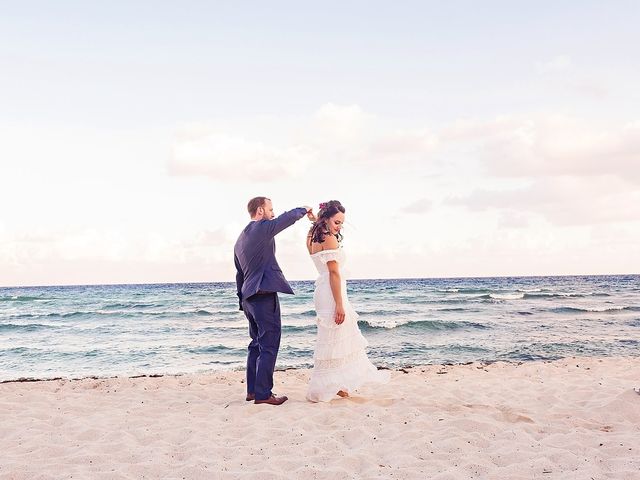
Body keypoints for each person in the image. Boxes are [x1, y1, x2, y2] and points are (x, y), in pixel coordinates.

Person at [305, 200, 389, 402]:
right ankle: (335, 385)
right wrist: (340, 305)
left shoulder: (311, 235)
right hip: (332, 292)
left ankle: (337, 385)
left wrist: (313, 220)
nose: (339, 226)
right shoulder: (330, 240)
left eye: (342, 223)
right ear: (326, 219)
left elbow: (320, 228)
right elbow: (334, 273)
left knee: (331, 339)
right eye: (336, 222)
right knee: (338, 336)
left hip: (322, 291)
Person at [234, 196, 314, 405]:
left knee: (256, 344)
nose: (273, 213)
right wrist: (304, 208)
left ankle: (252, 391)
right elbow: (286, 219)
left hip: (248, 297)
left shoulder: (240, 239)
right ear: (260, 211)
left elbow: (239, 274)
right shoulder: (262, 228)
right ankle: (263, 394)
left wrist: (241, 300)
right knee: (269, 344)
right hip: (262, 294)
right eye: (270, 209)